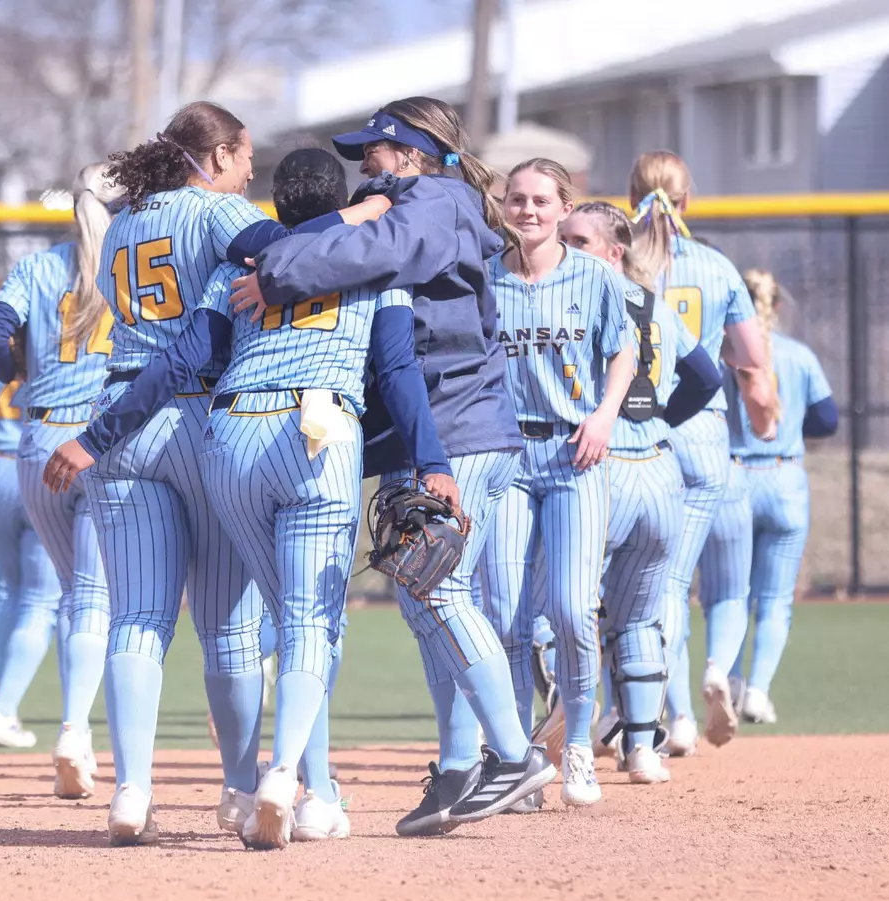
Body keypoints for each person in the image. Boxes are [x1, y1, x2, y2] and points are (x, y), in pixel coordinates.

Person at [70, 148, 454, 848]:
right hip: (316, 435)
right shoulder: (375, 263)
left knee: (234, 618)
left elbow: (187, 359)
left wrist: (98, 437)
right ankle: (293, 784)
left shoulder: (233, 270)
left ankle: (202, 786)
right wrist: (429, 461)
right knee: (308, 623)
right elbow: (397, 373)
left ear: (275, 207)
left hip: (232, 434)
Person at [227, 96, 553, 837]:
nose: (361, 168)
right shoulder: (429, 200)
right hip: (447, 431)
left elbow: (362, 255)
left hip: (458, 433)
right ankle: (460, 763)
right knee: (425, 599)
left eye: (371, 154)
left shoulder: (433, 200)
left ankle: (512, 753)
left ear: (407, 150)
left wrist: (277, 272)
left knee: (438, 592)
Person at [38, 102, 276, 843]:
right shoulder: (213, 212)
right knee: (229, 630)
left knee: (137, 619)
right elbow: (282, 244)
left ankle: (133, 791)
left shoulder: (125, 228)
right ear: (219, 155)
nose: (247, 173)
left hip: (120, 419)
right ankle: (239, 791)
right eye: (244, 158)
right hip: (198, 416)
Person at [541, 200, 723, 793]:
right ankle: (643, 752)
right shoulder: (657, 306)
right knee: (640, 617)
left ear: (615, 251)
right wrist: (665, 418)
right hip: (660, 472)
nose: (568, 247)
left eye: (581, 240)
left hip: (604, 470)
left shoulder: (577, 298)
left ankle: (567, 734)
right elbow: (707, 376)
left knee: (561, 609)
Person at [477, 161, 640, 794]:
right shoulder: (486, 278)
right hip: (508, 457)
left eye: (542, 200)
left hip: (577, 454)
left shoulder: (594, 276)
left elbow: (623, 351)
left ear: (563, 205)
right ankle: (518, 758)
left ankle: (576, 743)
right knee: (507, 615)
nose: (528, 211)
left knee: (572, 610)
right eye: (516, 199)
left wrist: (604, 415)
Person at [0, 163, 123, 799]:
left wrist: (13, 371)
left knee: (71, 596)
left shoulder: (36, 267)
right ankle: (76, 730)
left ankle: (79, 738)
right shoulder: (134, 265)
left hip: (37, 441)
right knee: (96, 599)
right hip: (104, 439)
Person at [627, 150, 778, 756]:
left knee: (661, 583)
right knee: (722, 587)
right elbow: (750, 357)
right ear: (688, 200)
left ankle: (680, 715)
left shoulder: (624, 261)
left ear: (629, 195)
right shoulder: (716, 266)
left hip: (644, 432)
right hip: (708, 431)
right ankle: (719, 669)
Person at [699, 269, 837, 726]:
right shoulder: (798, 355)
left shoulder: (720, 359)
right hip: (784, 480)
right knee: (775, 599)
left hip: (734, 477)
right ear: (776, 306)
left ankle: (730, 680)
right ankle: (758, 692)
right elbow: (827, 420)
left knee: (729, 594)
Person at [0, 275, 62, 753]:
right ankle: (11, 709)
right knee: (49, 600)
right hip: (36, 464)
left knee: (6, 593)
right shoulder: (48, 342)